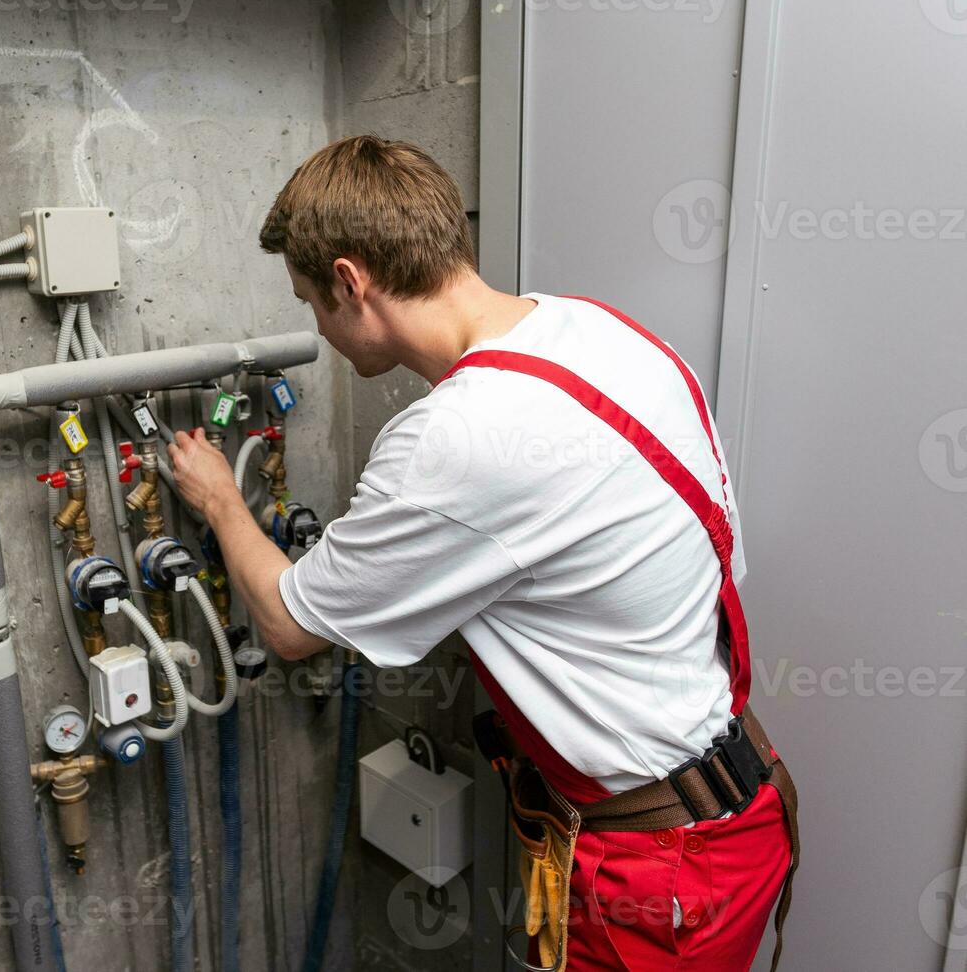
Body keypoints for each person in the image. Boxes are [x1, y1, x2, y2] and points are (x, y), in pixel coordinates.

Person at [168, 136, 798, 972]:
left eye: (310, 301)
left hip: (661, 879)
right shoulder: (606, 332)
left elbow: (287, 624)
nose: (315, 327)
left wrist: (218, 499)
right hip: (740, 805)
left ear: (351, 283)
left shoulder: (454, 438)